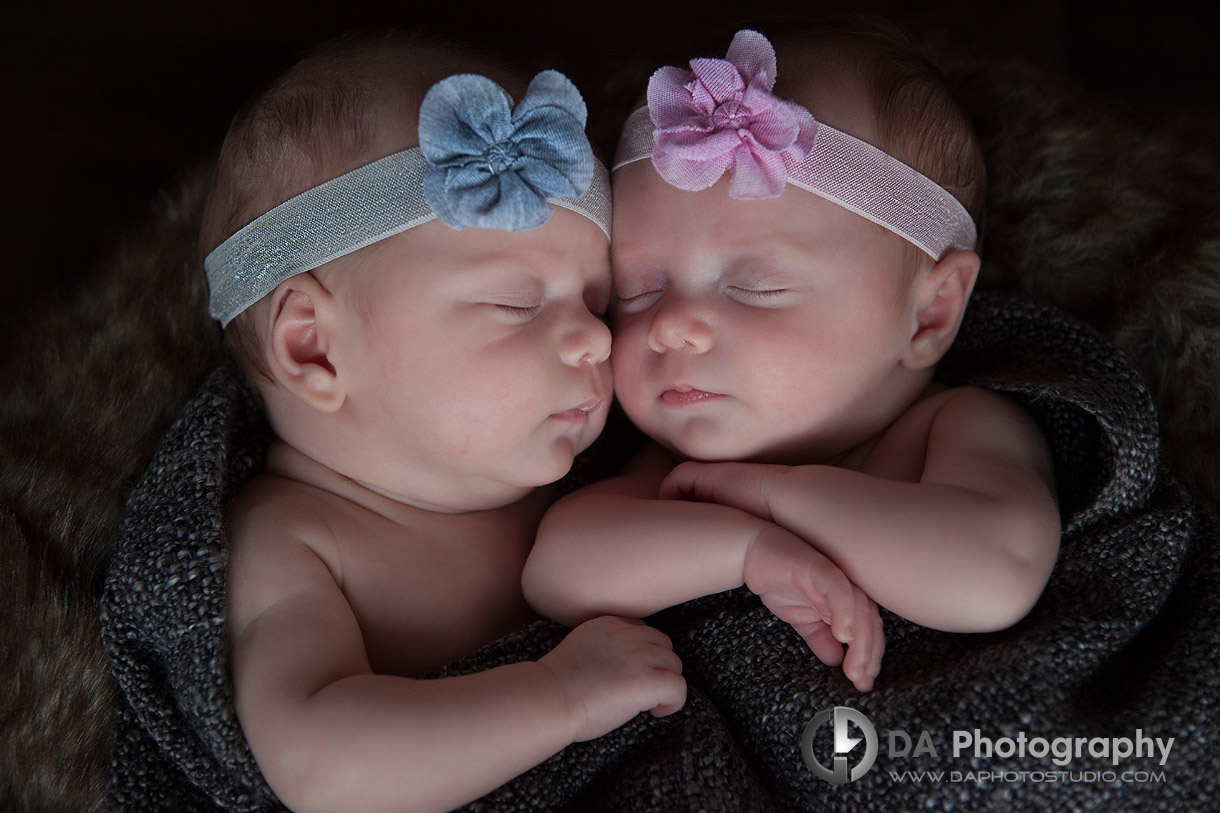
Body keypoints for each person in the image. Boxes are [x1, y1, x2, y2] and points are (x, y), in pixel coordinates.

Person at [204, 34, 685, 813]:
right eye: (517, 303)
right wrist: (556, 695)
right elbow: (324, 766)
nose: (598, 339)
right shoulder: (292, 540)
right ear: (314, 345)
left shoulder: (575, 485)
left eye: (598, 302)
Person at [523, 23, 1062, 694]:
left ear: (931, 312)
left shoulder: (953, 427)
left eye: (756, 288)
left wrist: (776, 497)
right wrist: (746, 550)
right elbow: (557, 571)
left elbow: (992, 575)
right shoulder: (676, 470)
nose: (672, 328)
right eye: (637, 292)